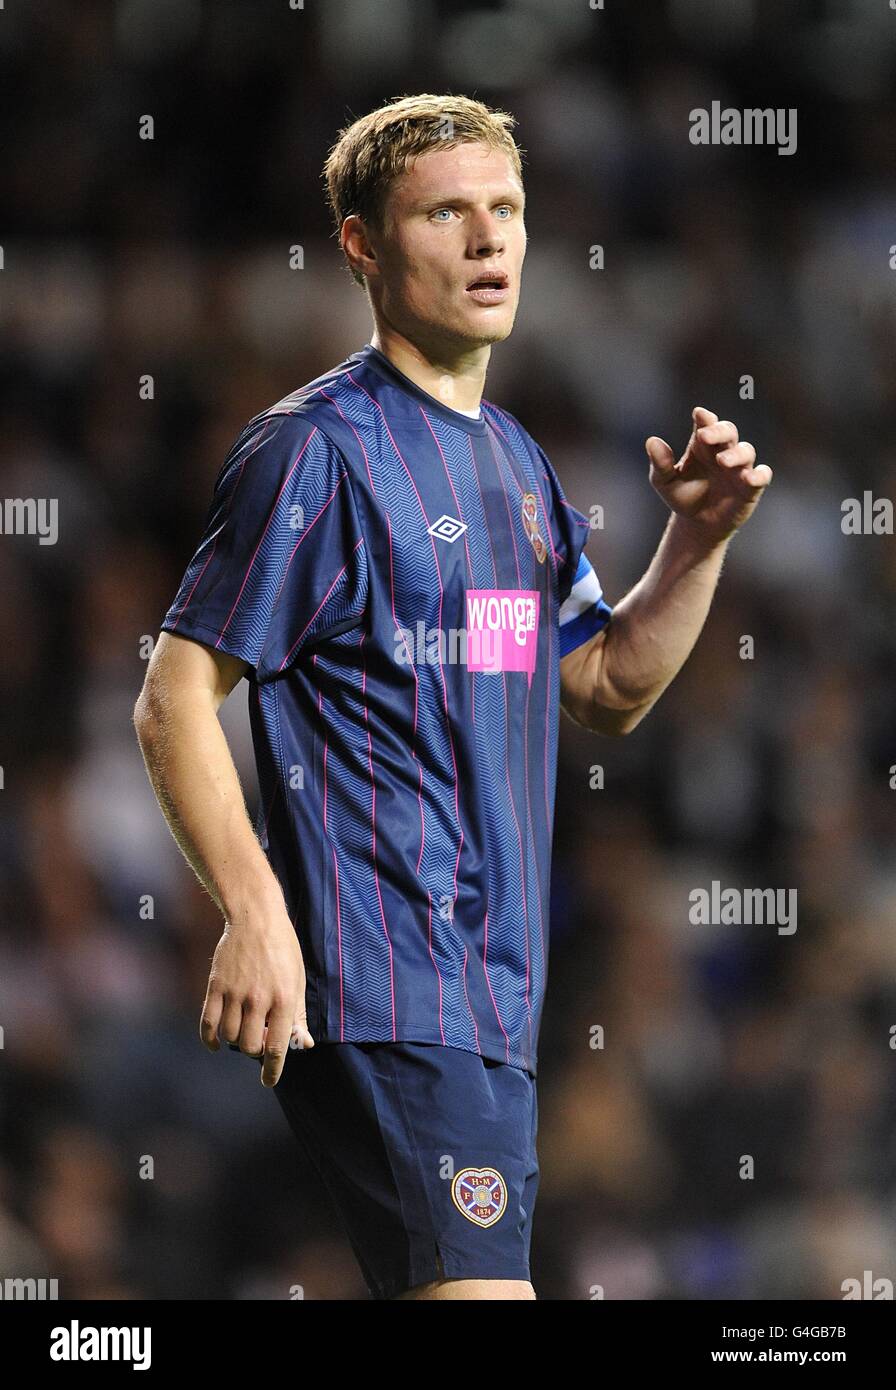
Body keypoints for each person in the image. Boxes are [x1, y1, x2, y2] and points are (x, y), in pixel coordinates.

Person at [133, 93, 771, 1301]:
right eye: (444, 212)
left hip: (492, 996)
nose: (487, 240)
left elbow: (602, 683)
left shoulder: (516, 466)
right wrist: (255, 912)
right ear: (363, 246)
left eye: (505, 210)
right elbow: (173, 696)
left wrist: (694, 547)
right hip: (386, 975)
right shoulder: (314, 451)